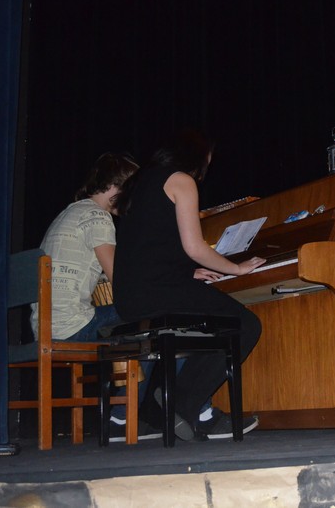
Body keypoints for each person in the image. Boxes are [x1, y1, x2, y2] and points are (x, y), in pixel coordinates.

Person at [112, 129, 264, 441]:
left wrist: (188, 272)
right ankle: (181, 405)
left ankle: (161, 412)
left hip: (131, 294)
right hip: (156, 290)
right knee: (245, 325)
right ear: (198, 156)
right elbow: (195, 247)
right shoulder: (181, 180)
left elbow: (150, 243)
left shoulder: (141, 183)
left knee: (211, 324)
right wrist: (236, 267)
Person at [28, 152, 163, 440]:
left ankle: (131, 411)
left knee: (136, 324)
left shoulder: (70, 213)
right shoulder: (98, 217)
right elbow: (121, 281)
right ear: (118, 187)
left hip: (47, 326)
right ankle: (130, 416)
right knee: (157, 318)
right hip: (72, 327)